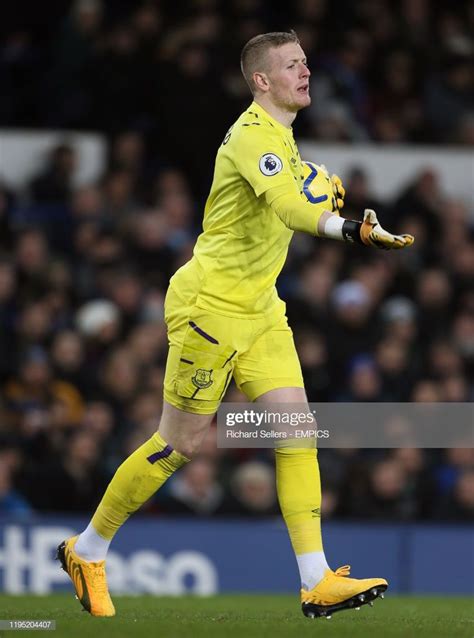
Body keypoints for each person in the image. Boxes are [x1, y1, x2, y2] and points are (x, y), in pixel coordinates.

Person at [57, 30, 413, 620]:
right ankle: (88, 549)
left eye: (305, 62)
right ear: (261, 81)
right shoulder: (252, 137)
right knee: (179, 445)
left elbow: (298, 193)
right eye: (291, 66)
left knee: (297, 431)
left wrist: (319, 185)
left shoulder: (285, 139)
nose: (305, 72)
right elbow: (291, 209)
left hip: (261, 310)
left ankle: (316, 578)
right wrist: (347, 226)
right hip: (210, 311)